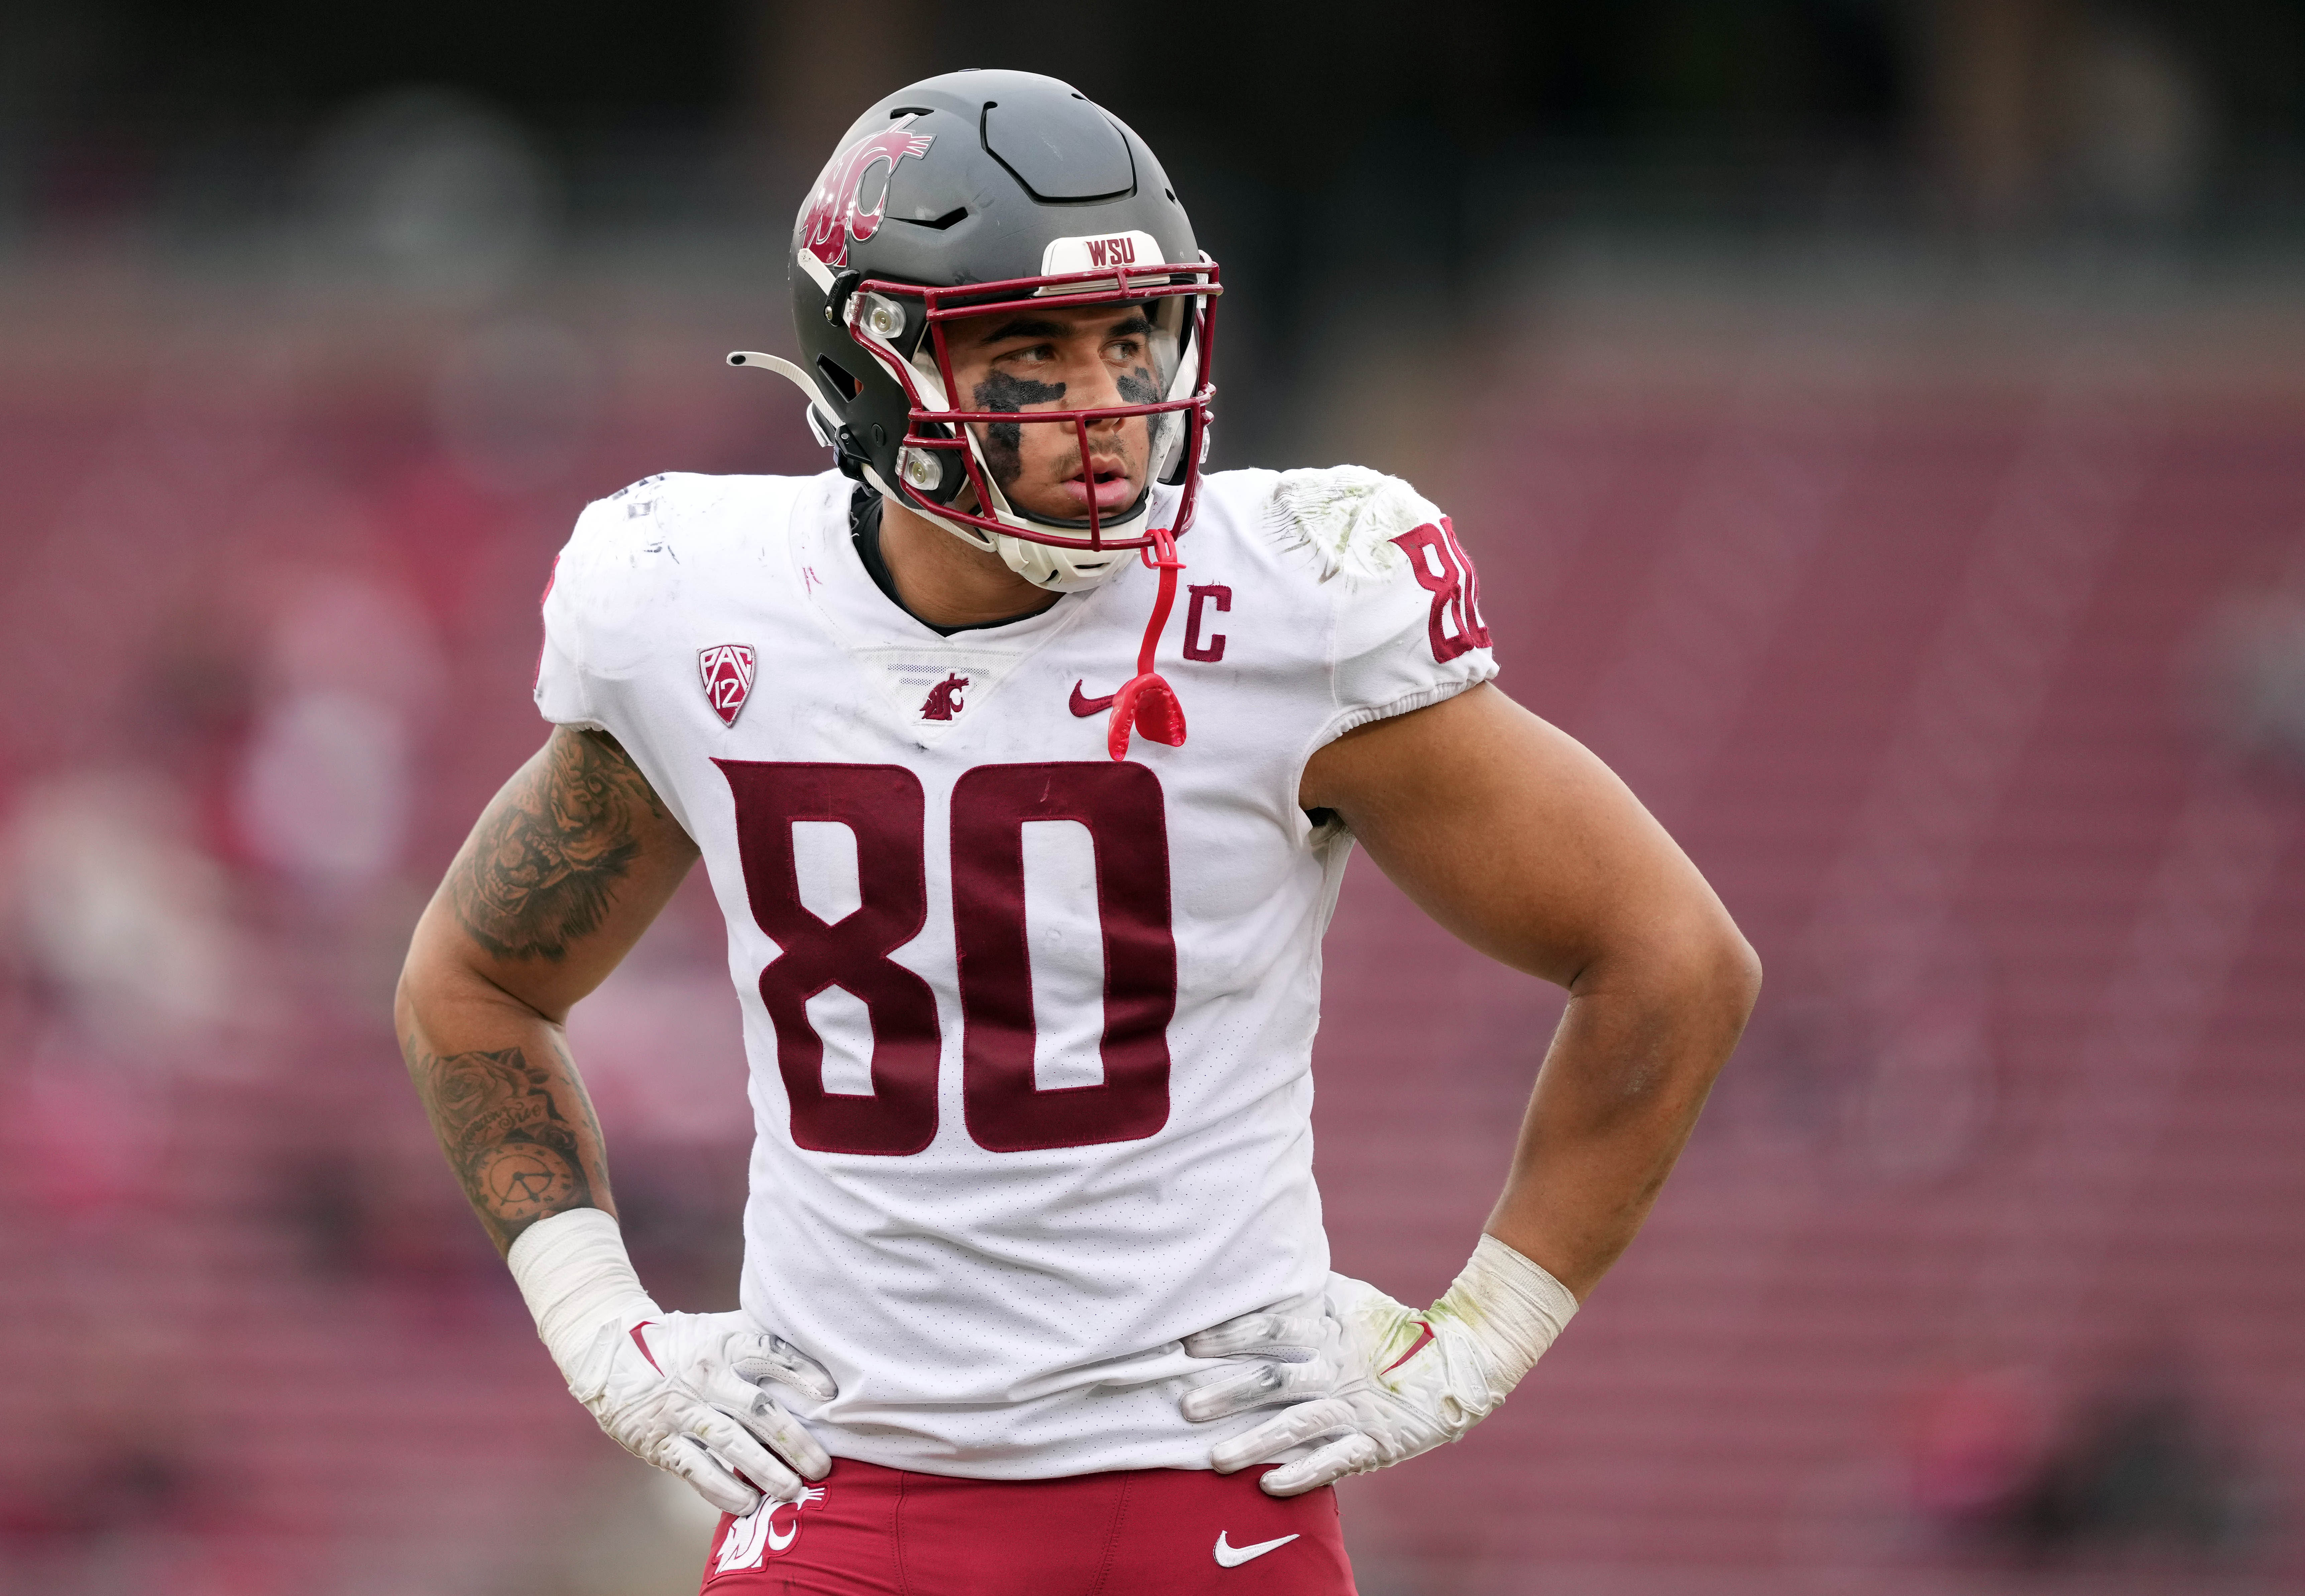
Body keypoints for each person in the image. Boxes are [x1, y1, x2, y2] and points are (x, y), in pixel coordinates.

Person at [393, 69, 1758, 1595]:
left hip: (1198, 1488)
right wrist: (603, 1328)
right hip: (838, 1494)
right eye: (1030, 350)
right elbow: (476, 986)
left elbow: (1668, 959)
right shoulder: (694, 605)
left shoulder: (1293, 601)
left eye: (1130, 335)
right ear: (871, 365)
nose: (1108, 404)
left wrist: (1477, 1341)